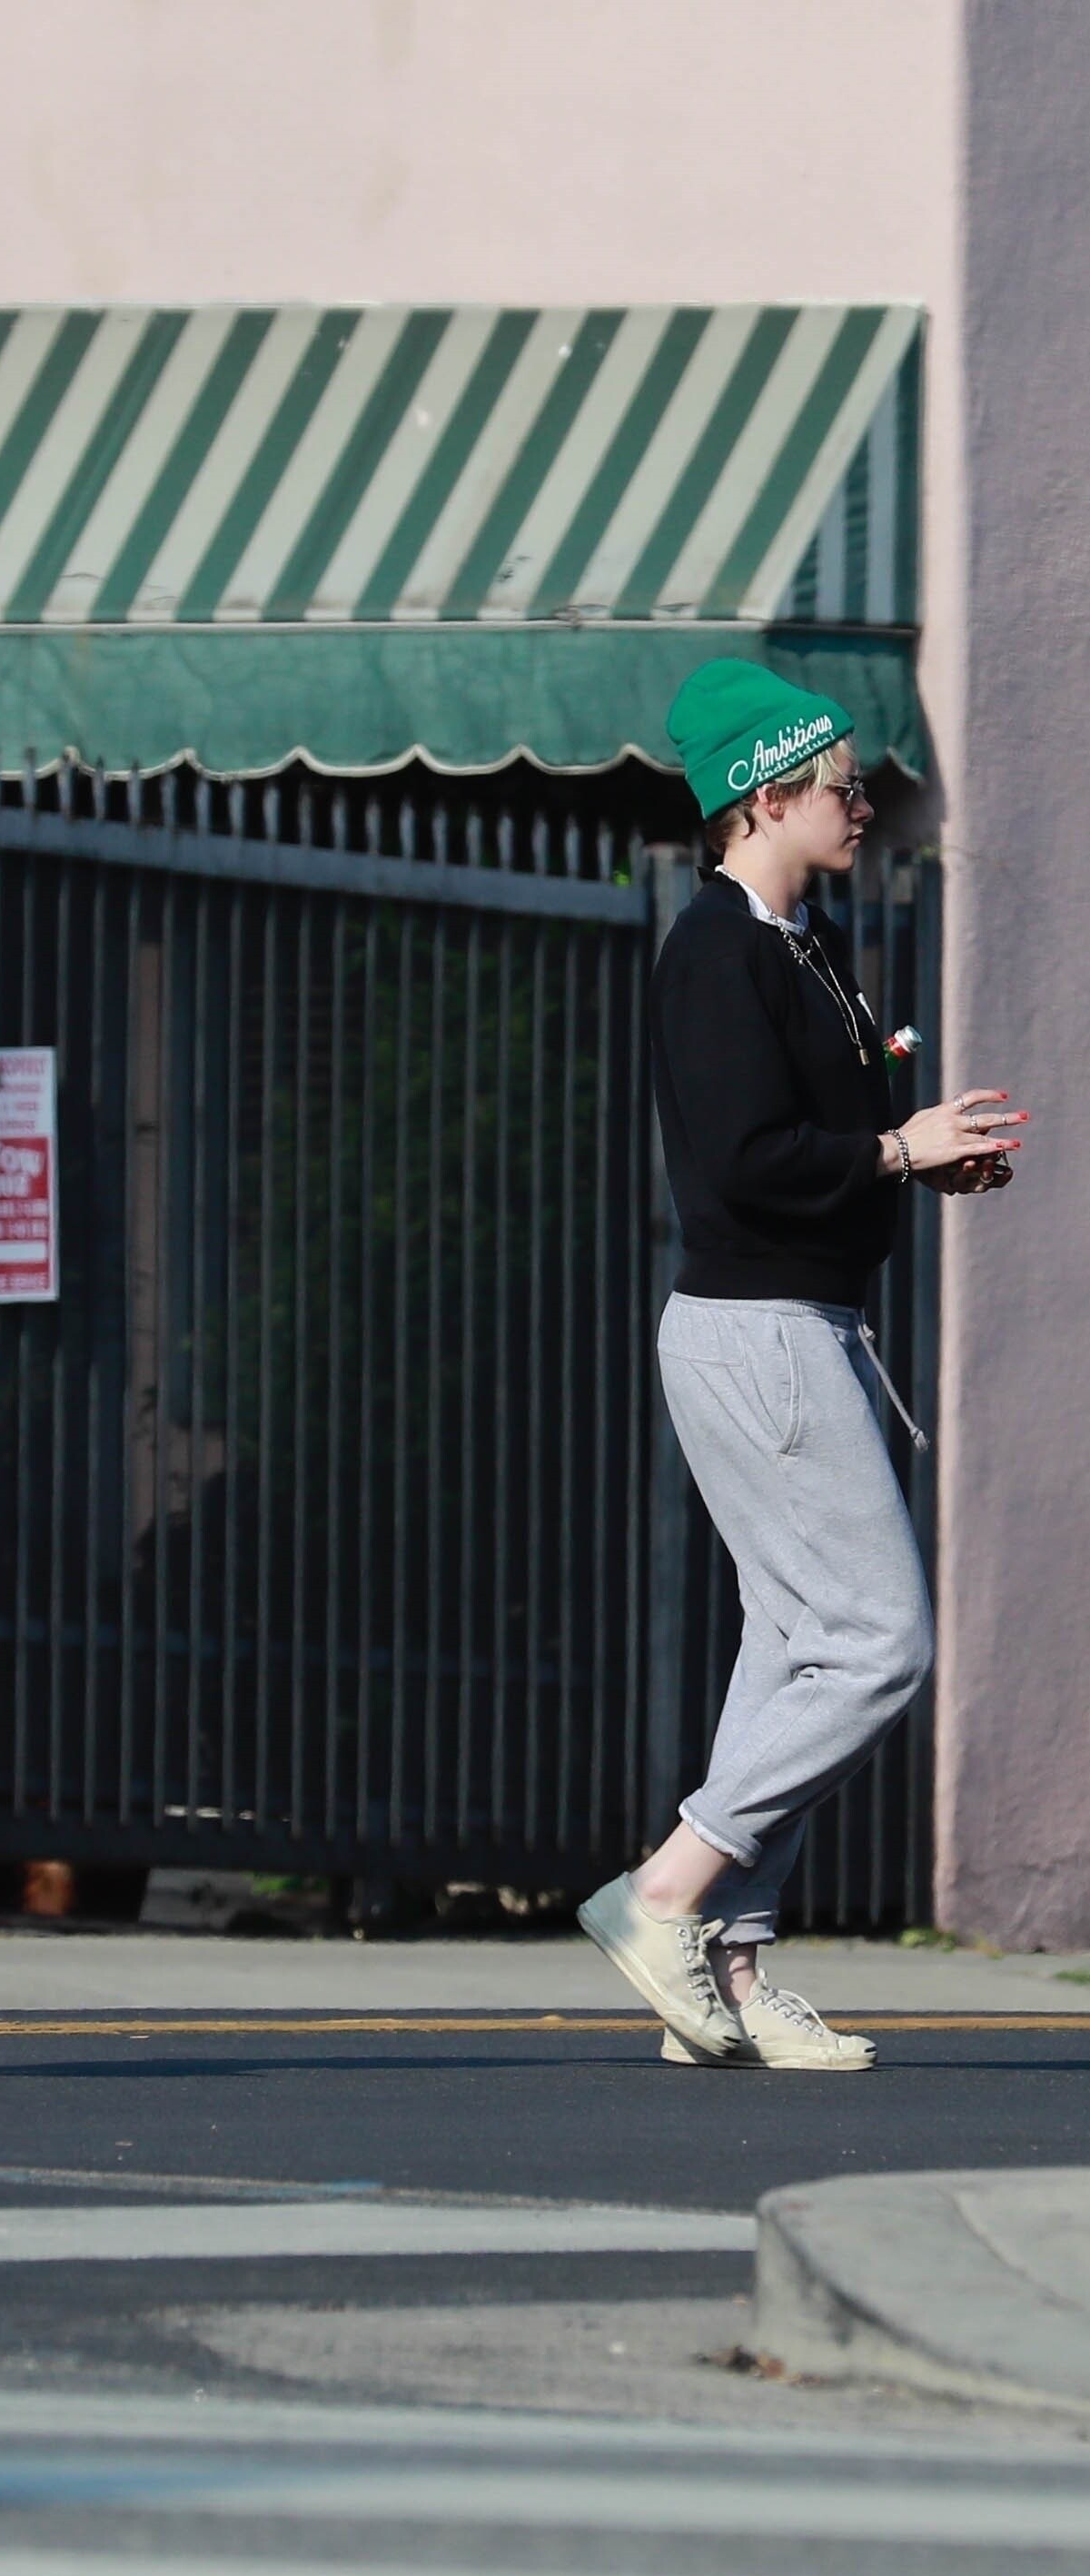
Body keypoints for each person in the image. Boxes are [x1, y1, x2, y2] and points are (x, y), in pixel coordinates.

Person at [579, 659, 1025, 2071]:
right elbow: (739, 1165)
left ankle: (725, 1964)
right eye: (839, 781)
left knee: (789, 1643)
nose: (862, 800)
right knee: (879, 1642)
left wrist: (918, 1161)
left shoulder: (805, 943)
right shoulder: (713, 953)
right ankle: (665, 1890)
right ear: (762, 796)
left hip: (804, 1325)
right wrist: (896, 1147)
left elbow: (813, 1147)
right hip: (759, 1334)